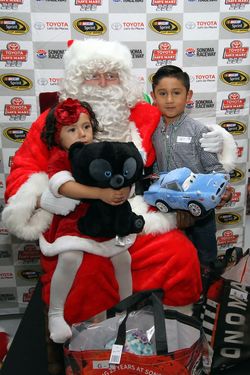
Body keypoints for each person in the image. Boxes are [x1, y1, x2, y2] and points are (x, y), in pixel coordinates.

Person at [2, 39, 237, 327]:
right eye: (93, 75)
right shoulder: (55, 121)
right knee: (86, 273)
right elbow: (24, 168)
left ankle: (174, 333)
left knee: (180, 255)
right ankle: (90, 346)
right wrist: (41, 198)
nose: (102, 83)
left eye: (111, 75)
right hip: (77, 221)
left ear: (123, 80)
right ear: (78, 80)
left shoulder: (142, 114)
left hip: (133, 215)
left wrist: (218, 139)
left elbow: (177, 126)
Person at [40, 97, 139, 343]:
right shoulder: (61, 159)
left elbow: (123, 175)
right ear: (58, 137)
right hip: (73, 222)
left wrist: (125, 189)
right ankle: (56, 313)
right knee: (71, 256)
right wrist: (100, 194)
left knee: (122, 256)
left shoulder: (101, 150)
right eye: (72, 129)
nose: (81, 134)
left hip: (105, 221)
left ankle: (127, 309)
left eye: (86, 127)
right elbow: (62, 186)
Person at [151, 65, 235, 291]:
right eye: (163, 93)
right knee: (174, 259)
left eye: (176, 93)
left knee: (203, 259)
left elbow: (215, 169)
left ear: (188, 96)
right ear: (153, 96)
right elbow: (154, 166)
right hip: (168, 211)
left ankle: (204, 297)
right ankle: (178, 298)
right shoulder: (152, 130)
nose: (169, 99)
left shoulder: (199, 130)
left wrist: (222, 190)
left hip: (199, 213)